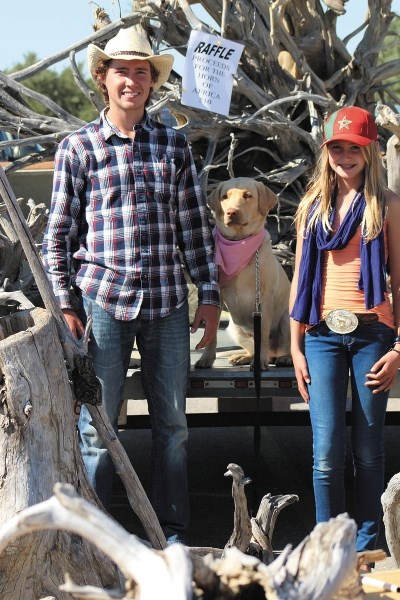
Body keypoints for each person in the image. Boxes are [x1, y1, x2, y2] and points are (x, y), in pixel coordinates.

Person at [42, 26, 220, 545]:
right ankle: (93, 538)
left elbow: (194, 226)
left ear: (152, 81)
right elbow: (58, 233)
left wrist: (208, 295)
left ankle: (170, 533)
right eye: (122, 71)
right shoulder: (78, 148)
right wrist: (65, 303)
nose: (132, 81)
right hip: (101, 303)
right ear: (103, 78)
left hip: (167, 302)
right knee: (98, 428)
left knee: (173, 427)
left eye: (142, 72)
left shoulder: (173, 145)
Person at [289, 106, 400, 572]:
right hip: (321, 337)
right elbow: (299, 278)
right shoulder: (311, 206)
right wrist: (295, 346)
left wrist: (399, 348)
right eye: (336, 146)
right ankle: (326, 542)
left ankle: (367, 547)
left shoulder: (387, 205)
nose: (344, 155)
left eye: (354, 147)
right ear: (326, 151)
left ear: (370, 150)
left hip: (374, 333)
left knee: (368, 448)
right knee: (326, 449)